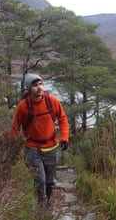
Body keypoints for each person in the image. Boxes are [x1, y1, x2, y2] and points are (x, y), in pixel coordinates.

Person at [10, 73, 69, 207]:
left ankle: (47, 205)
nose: (39, 88)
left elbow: (62, 118)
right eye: (35, 85)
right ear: (29, 88)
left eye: (40, 84)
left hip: (52, 148)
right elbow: (15, 126)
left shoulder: (52, 101)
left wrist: (64, 137)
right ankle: (41, 206)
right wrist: (12, 147)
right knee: (40, 180)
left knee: (49, 182)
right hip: (32, 149)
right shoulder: (23, 106)